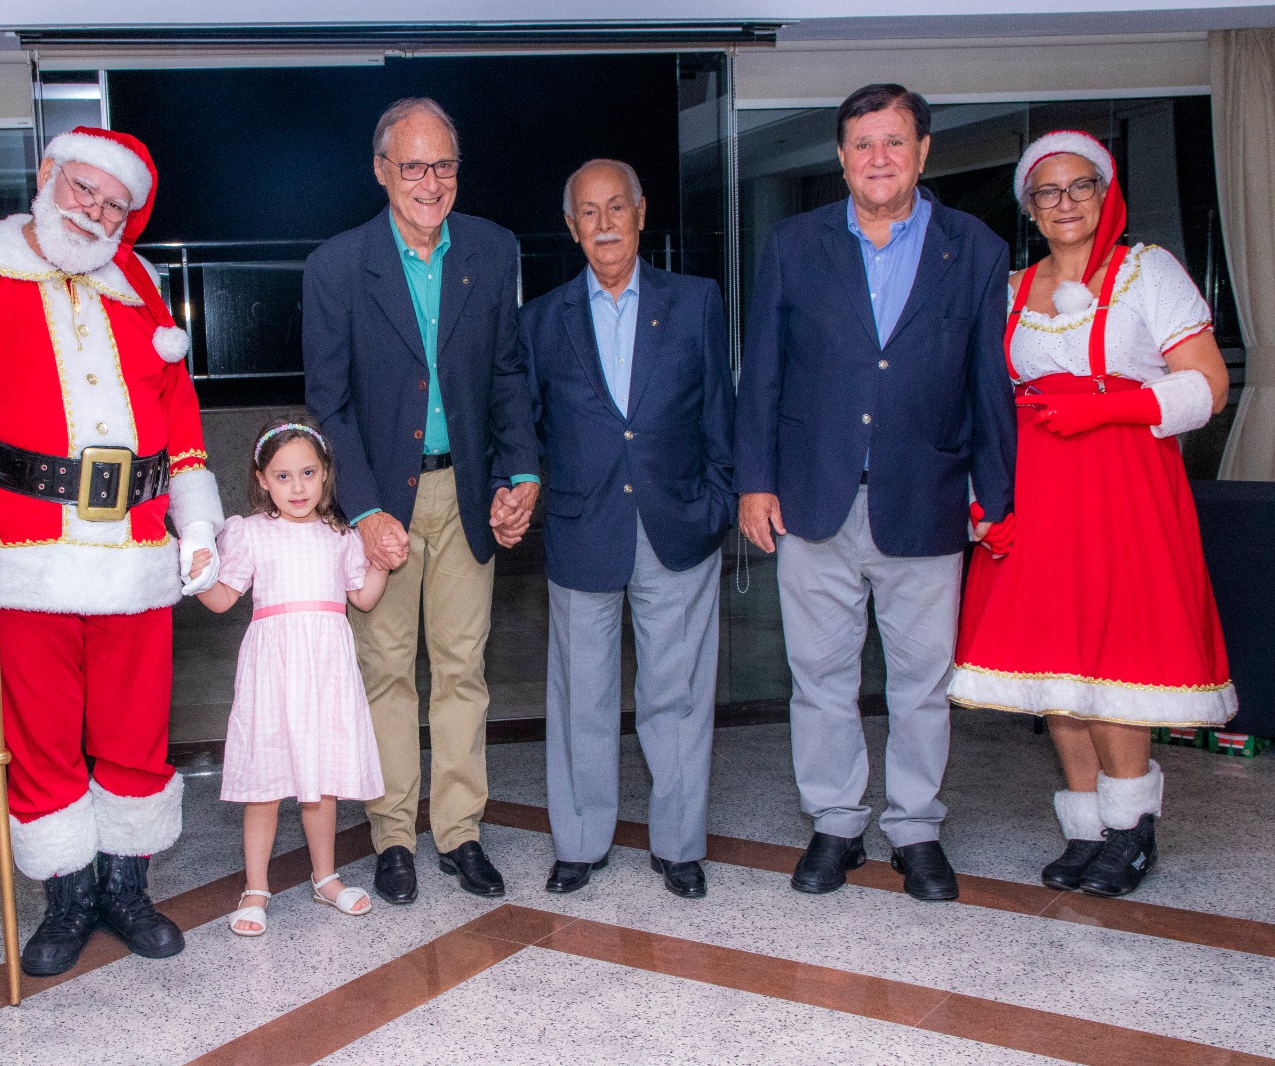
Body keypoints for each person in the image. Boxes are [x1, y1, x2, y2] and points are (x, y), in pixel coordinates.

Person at [0, 127, 225, 975]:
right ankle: (68, 897)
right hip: (21, 550)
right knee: (39, 733)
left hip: (134, 548)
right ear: (47, 175)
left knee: (137, 730)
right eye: (83, 189)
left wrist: (199, 525)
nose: (95, 211)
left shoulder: (138, 286)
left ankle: (125, 889)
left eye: (115, 204)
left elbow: (178, 415)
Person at [734, 84, 1015, 902]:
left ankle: (917, 828)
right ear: (841, 157)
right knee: (819, 675)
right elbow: (763, 374)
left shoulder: (975, 248)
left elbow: (988, 382)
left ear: (923, 152)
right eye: (862, 143)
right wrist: (755, 482)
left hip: (927, 497)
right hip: (813, 498)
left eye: (894, 141)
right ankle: (835, 822)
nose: (878, 157)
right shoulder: (795, 244)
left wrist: (995, 495)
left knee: (921, 682)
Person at [950, 130, 1237, 897]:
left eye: (1080, 186)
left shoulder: (1149, 272)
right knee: (1055, 665)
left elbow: (1207, 386)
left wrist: (1111, 408)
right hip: (1037, 495)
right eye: (1047, 192)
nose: (1065, 202)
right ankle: (1086, 827)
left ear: (1106, 193)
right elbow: (985, 404)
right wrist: (986, 500)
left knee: (1116, 657)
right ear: (1029, 208)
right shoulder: (1012, 288)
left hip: (1123, 490)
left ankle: (1131, 827)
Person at [303, 97, 541, 905]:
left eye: (444, 165)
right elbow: (329, 403)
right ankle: (395, 836)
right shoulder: (337, 266)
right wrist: (365, 509)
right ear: (382, 171)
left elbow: (507, 375)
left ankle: (461, 831)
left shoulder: (493, 249)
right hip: (382, 501)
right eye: (413, 166)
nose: (430, 182)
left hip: (468, 491)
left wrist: (522, 471)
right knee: (386, 673)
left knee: (463, 670)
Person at [519, 160, 734, 899]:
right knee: (580, 695)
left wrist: (719, 502)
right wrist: (518, 489)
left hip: (678, 522)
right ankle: (580, 842)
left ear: (642, 213)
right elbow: (525, 429)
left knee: (679, 694)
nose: (605, 223)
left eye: (617, 207)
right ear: (571, 226)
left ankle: (679, 845)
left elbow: (721, 412)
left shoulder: (695, 301)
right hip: (583, 527)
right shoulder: (541, 320)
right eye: (589, 211)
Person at [188, 419, 402, 935]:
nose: (298, 487)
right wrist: (198, 575)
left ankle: (325, 877)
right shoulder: (250, 533)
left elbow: (363, 598)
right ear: (262, 479)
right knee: (265, 782)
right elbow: (222, 599)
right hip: (273, 672)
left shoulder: (341, 536)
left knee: (320, 782)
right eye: (282, 476)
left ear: (325, 473)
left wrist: (383, 562)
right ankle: (255, 887)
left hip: (326, 670)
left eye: (308, 473)